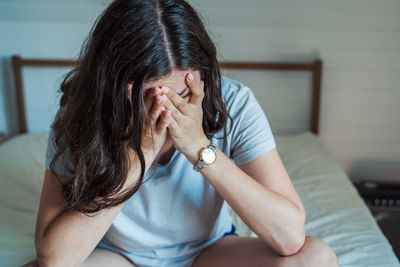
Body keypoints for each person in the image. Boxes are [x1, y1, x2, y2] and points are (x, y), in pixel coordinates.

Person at [23, 0, 339, 266]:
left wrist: (200, 148)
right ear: (116, 88)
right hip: (118, 257)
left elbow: (290, 237)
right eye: (150, 99)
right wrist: (141, 156)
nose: (168, 112)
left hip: (208, 252)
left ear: (201, 75)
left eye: (183, 95)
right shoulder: (84, 113)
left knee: (316, 258)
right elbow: (55, 257)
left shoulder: (234, 103)